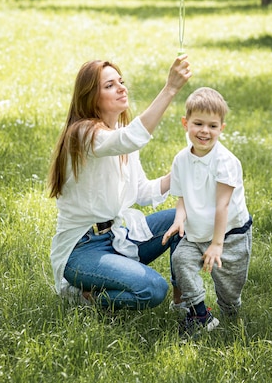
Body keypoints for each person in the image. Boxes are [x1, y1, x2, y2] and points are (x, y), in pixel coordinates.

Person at [47, 55, 191, 310]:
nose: (122, 88)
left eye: (121, 81)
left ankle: (184, 303)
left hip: (118, 236)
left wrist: (180, 173)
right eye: (109, 85)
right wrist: (170, 89)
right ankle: (83, 297)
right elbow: (132, 138)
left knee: (185, 219)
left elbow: (143, 192)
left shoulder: (119, 139)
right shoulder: (82, 134)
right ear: (90, 96)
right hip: (82, 250)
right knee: (153, 289)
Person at [162, 87, 252, 335]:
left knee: (229, 291)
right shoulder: (181, 159)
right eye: (198, 123)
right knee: (180, 260)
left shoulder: (225, 161)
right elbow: (182, 196)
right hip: (196, 231)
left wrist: (217, 244)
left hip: (230, 234)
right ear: (185, 123)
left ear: (221, 128)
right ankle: (200, 314)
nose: (204, 131)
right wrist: (179, 219)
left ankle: (230, 313)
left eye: (212, 126)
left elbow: (222, 205)